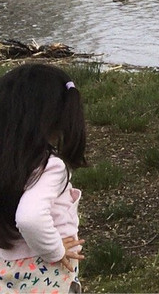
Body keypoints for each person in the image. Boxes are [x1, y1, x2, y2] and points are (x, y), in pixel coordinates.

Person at [0, 63, 87, 294]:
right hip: (44, 274)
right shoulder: (51, 167)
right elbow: (30, 218)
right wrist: (54, 250)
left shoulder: (7, 162)